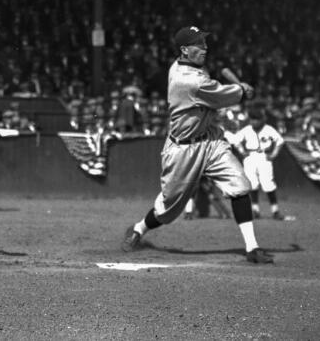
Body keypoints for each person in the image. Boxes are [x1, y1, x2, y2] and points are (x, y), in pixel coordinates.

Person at [120, 25, 274, 264]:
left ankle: (252, 248)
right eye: (199, 44)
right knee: (168, 209)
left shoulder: (185, 65)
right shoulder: (187, 81)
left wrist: (239, 91)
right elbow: (220, 95)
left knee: (240, 185)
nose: (205, 48)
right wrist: (243, 91)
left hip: (210, 140)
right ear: (184, 50)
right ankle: (139, 229)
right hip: (183, 148)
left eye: (204, 42)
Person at [229, 109, 290, 220]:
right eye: (252, 119)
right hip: (250, 156)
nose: (254, 122)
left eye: (257, 119)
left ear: (262, 119)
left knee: (268, 183)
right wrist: (242, 152)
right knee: (252, 183)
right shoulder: (247, 130)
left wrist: (274, 154)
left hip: (264, 156)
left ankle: (275, 211)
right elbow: (235, 140)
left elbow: (280, 141)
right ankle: (255, 210)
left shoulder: (268, 130)